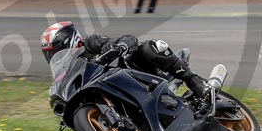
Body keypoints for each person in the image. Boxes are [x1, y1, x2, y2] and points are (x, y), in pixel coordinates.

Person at [40, 21, 212, 109]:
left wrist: (119, 47)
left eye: (57, 50)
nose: (56, 56)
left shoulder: (91, 44)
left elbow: (129, 39)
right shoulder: (69, 73)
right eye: (51, 54)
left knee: (150, 47)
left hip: (136, 76)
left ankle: (195, 82)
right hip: (114, 92)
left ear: (70, 42)